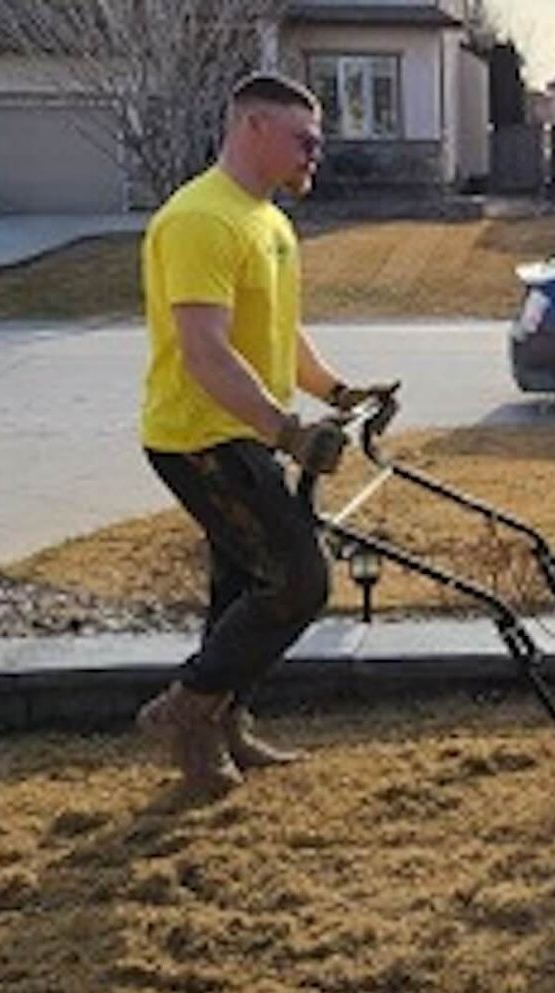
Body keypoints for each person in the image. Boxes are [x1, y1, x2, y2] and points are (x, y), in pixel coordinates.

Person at [135, 71, 394, 799]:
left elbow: (277, 334)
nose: (316, 154)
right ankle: (187, 708)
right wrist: (287, 433)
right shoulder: (201, 219)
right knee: (299, 579)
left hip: (242, 429)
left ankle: (220, 732)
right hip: (199, 436)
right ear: (253, 127)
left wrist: (337, 392)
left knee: (241, 589)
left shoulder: (267, 220)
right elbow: (206, 352)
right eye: (304, 140)